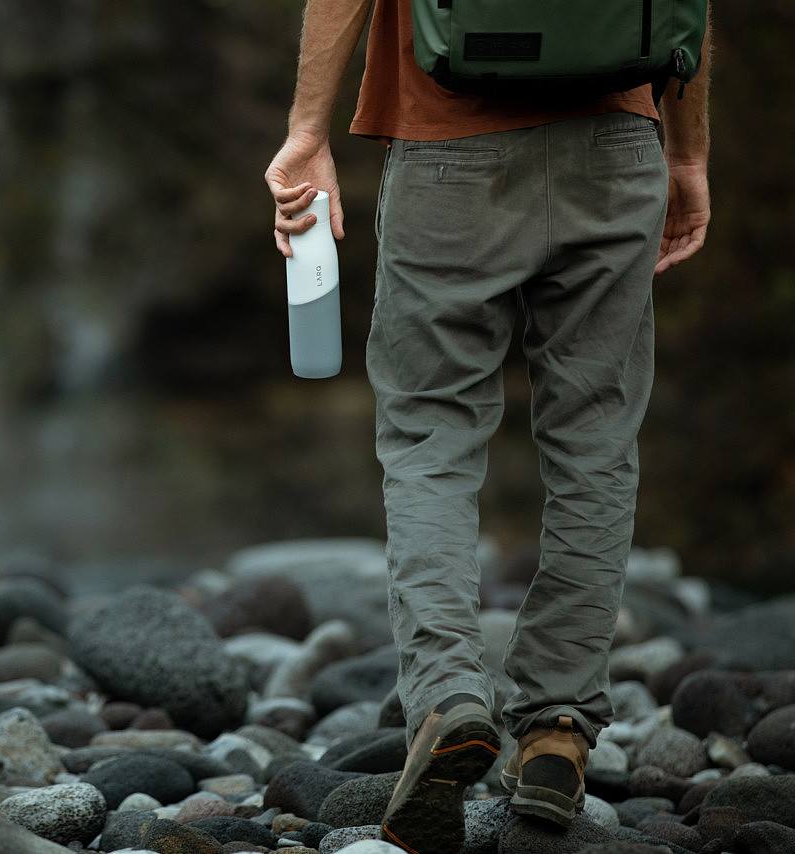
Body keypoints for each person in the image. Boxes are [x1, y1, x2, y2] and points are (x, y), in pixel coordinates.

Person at [265, 1, 712, 852]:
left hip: (448, 154)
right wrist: (687, 151)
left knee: (432, 438)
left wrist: (306, 132)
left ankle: (449, 698)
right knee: (596, 445)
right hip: (618, 146)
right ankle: (558, 728)